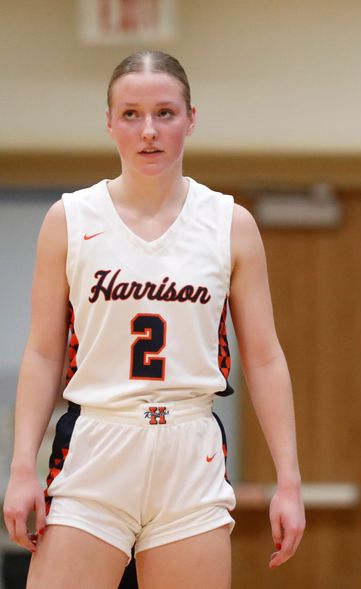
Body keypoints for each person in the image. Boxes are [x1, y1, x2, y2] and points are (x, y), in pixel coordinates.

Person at [2, 50, 305, 588]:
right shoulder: (69, 219)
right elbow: (44, 352)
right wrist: (22, 464)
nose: (149, 131)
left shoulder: (229, 224)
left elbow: (263, 358)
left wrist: (289, 480)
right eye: (131, 114)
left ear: (191, 118)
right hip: (97, 440)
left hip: (190, 447)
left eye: (165, 113)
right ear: (109, 123)